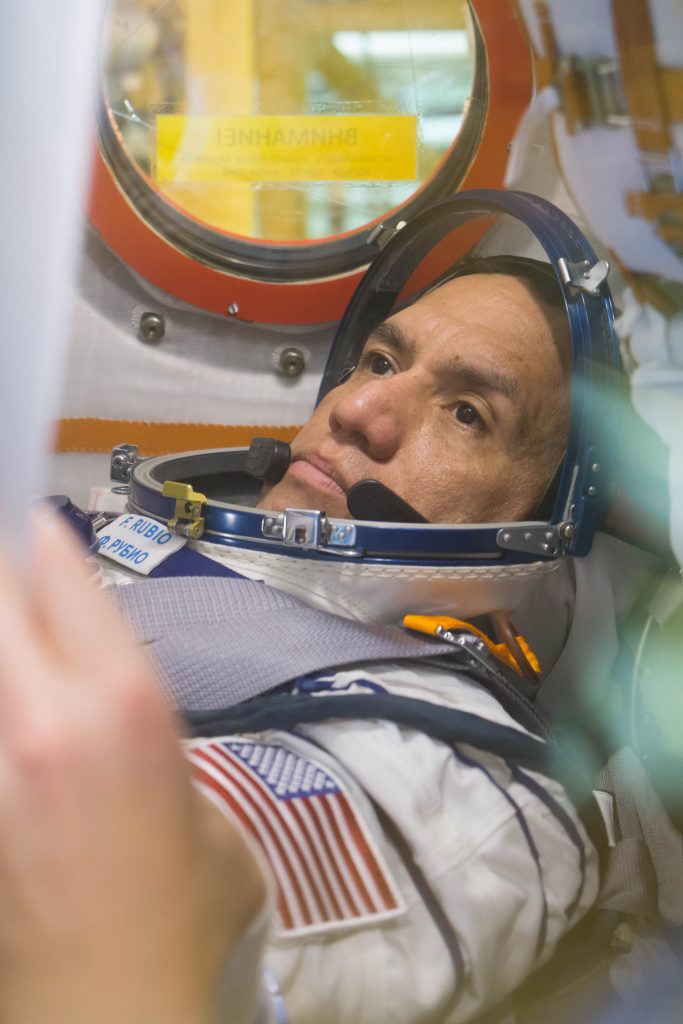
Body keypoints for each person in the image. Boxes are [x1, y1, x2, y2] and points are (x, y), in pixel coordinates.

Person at [0, 247, 658, 1024]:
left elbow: (199, 895)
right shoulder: (89, 531)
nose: (358, 411)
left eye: (466, 412)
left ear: (540, 528)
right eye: (380, 360)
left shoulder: (455, 775)